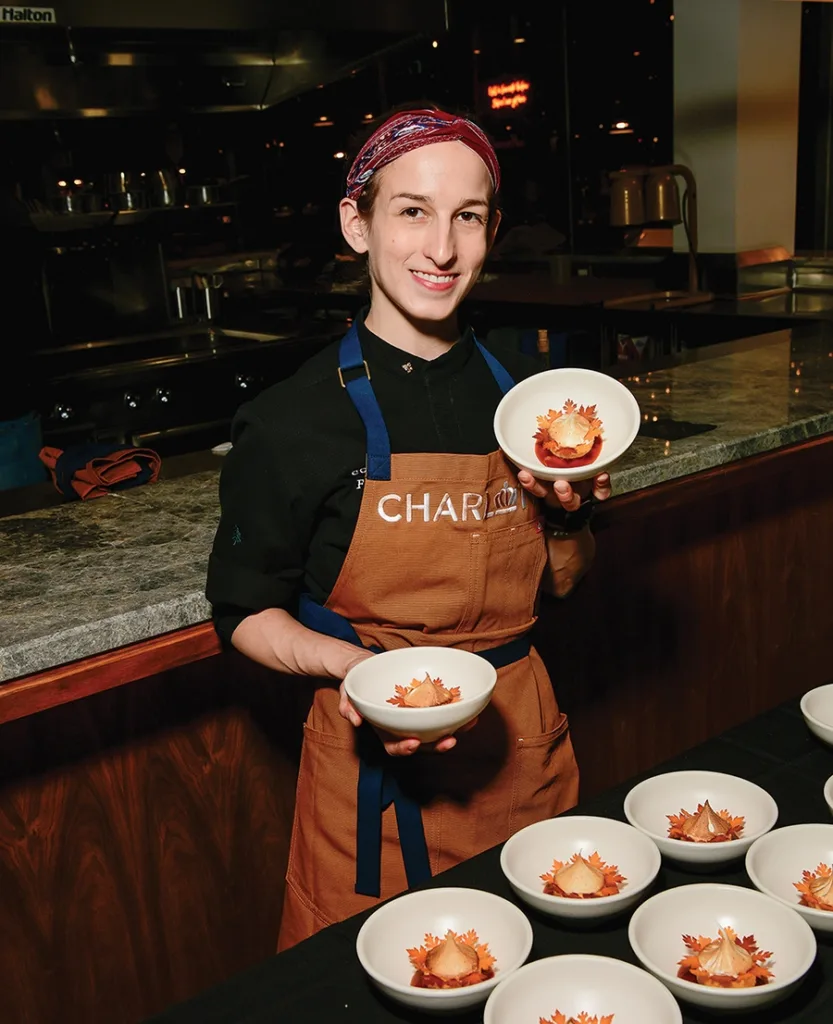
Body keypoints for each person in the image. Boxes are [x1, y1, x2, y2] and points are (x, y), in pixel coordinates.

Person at [205, 105, 611, 951]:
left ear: (492, 230)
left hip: (521, 746)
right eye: (412, 211)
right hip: (368, 781)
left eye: (466, 216)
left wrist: (566, 517)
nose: (441, 249)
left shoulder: (527, 402)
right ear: (358, 223)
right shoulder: (291, 422)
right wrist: (356, 672)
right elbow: (245, 613)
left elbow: (564, 585)